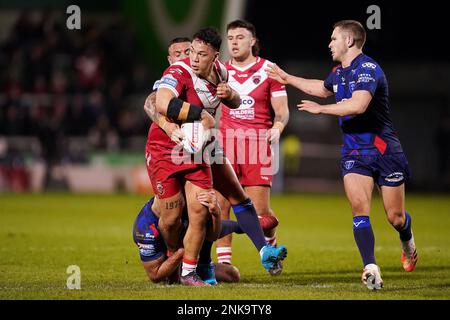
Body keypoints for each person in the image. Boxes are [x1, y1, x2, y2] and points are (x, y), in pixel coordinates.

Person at [266, 20, 417, 290]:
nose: (329, 43)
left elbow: (358, 105)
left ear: (349, 41)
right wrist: (287, 78)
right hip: (354, 152)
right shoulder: (339, 72)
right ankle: (370, 267)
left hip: (384, 150)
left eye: (333, 38)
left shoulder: (369, 69)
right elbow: (321, 88)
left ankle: (407, 240)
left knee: (395, 217)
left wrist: (321, 110)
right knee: (359, 209)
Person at [148, 28, 287, 286]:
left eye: (201, 54)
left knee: (222, 201)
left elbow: (234, 100)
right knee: (171, 219)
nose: (194, 58)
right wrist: (199, 115)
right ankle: (176, 260)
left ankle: (263, 251)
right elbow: (161, 103)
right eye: (192, 52)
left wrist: (230, 95)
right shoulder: (178, 72)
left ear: (214, 57)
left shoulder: (221, 72)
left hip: (201, 144)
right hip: (169, 149)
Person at [215, 20, 289, 274]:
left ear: (253, 41)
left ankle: (271, 247)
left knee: (261, 214)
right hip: (225, 145)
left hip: (257, 146)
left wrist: (277, 128)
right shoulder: (220, 71)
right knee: (222, 205)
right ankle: (224, 264)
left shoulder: (269, 70)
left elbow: (282, 112)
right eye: (230, 37)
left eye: (239, 37)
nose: (234, 42)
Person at [133, 192, 243, 285]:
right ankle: (184, 272)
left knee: (233, 274)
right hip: (173, 258)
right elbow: (155, 275)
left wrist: (216, 213)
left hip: (189, 257)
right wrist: (186, 249)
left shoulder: (193, 205)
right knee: (170, 277)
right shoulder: (146, 228)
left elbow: (212, 235)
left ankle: (193, 269)